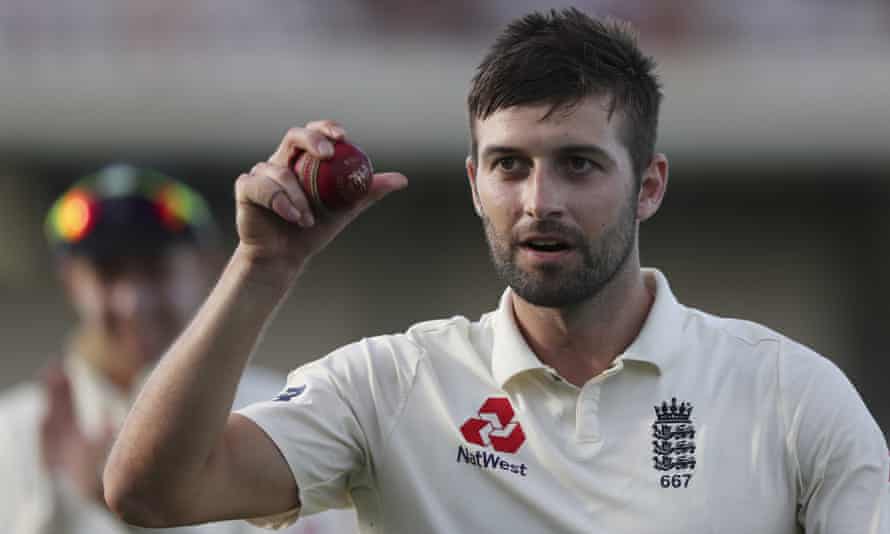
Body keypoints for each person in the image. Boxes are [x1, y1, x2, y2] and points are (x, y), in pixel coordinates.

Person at [103, 9, 888, 534]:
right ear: (476, 183)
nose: (539, 202)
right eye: (510, 165)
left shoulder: (790, 393)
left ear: (649, 186)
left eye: (579, 164)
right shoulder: (391, 385)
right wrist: (261, 267)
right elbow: (150, 492)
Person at [0, 165, 357, 534]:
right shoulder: (13, 433)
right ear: (71, 283)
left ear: (208, 268)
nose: (132, 302)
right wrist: (58, 504)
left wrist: (125, 500)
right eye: (108, 274)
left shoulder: (281, 414)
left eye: (155, 270)